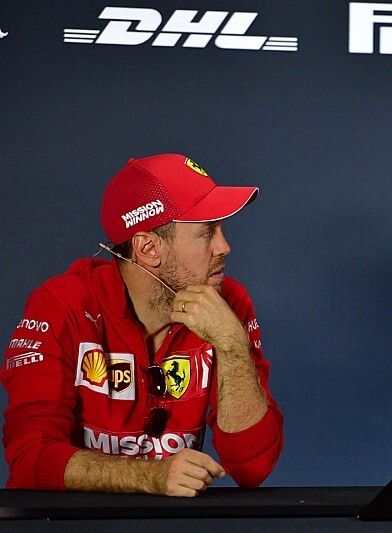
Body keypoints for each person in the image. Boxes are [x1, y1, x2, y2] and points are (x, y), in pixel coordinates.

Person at [2, 154, 284, 496]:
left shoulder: (226, 302)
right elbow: (31, 458)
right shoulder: (62, 305)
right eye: (207, 232)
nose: (224, 246)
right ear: (148, 247)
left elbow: (252, 467)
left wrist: (232, 344)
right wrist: (149, 476)